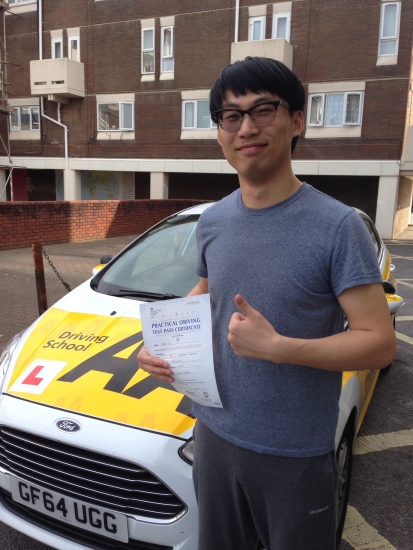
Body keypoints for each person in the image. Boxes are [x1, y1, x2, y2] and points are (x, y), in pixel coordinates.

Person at [137, 57, 396, 550]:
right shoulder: (213, 221)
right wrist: (158, 340)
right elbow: (208, 291)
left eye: (263, 110)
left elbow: (379, 343)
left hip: (294, 452)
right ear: (218, 132)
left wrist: (279, 347)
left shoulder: (336, 227)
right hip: (212, 434)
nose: (246, 128)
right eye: (231, 116)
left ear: (296, 121)